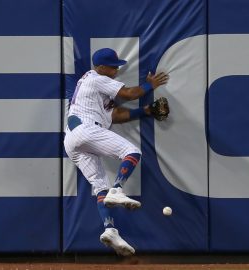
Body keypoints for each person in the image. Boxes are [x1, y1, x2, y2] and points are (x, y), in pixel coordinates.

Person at [64, 48, 168, 256]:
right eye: (112, 67)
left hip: (72, 141)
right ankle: (118, 188)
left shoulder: (92, 90)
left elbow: (116, 115)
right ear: (100, 67)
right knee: (132, 151)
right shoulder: (95, 78)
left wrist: (145, 112)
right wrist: (151, 85)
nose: (116, 70)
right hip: (87, 129)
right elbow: (129, 94)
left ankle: (110, 231)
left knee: (100, 186)